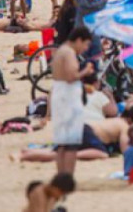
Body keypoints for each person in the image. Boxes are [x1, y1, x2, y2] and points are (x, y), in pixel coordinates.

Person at [51, 26, 95, 175]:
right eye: (85, 44)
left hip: (59, 93)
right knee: (70, 143)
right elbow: (71, 76)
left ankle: (61, 175)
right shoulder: (69, 52)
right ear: (78, 40)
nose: (85, 48)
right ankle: (67, 176)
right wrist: (86, 71)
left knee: (62, 142)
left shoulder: (60, 50)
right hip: (68, 97)